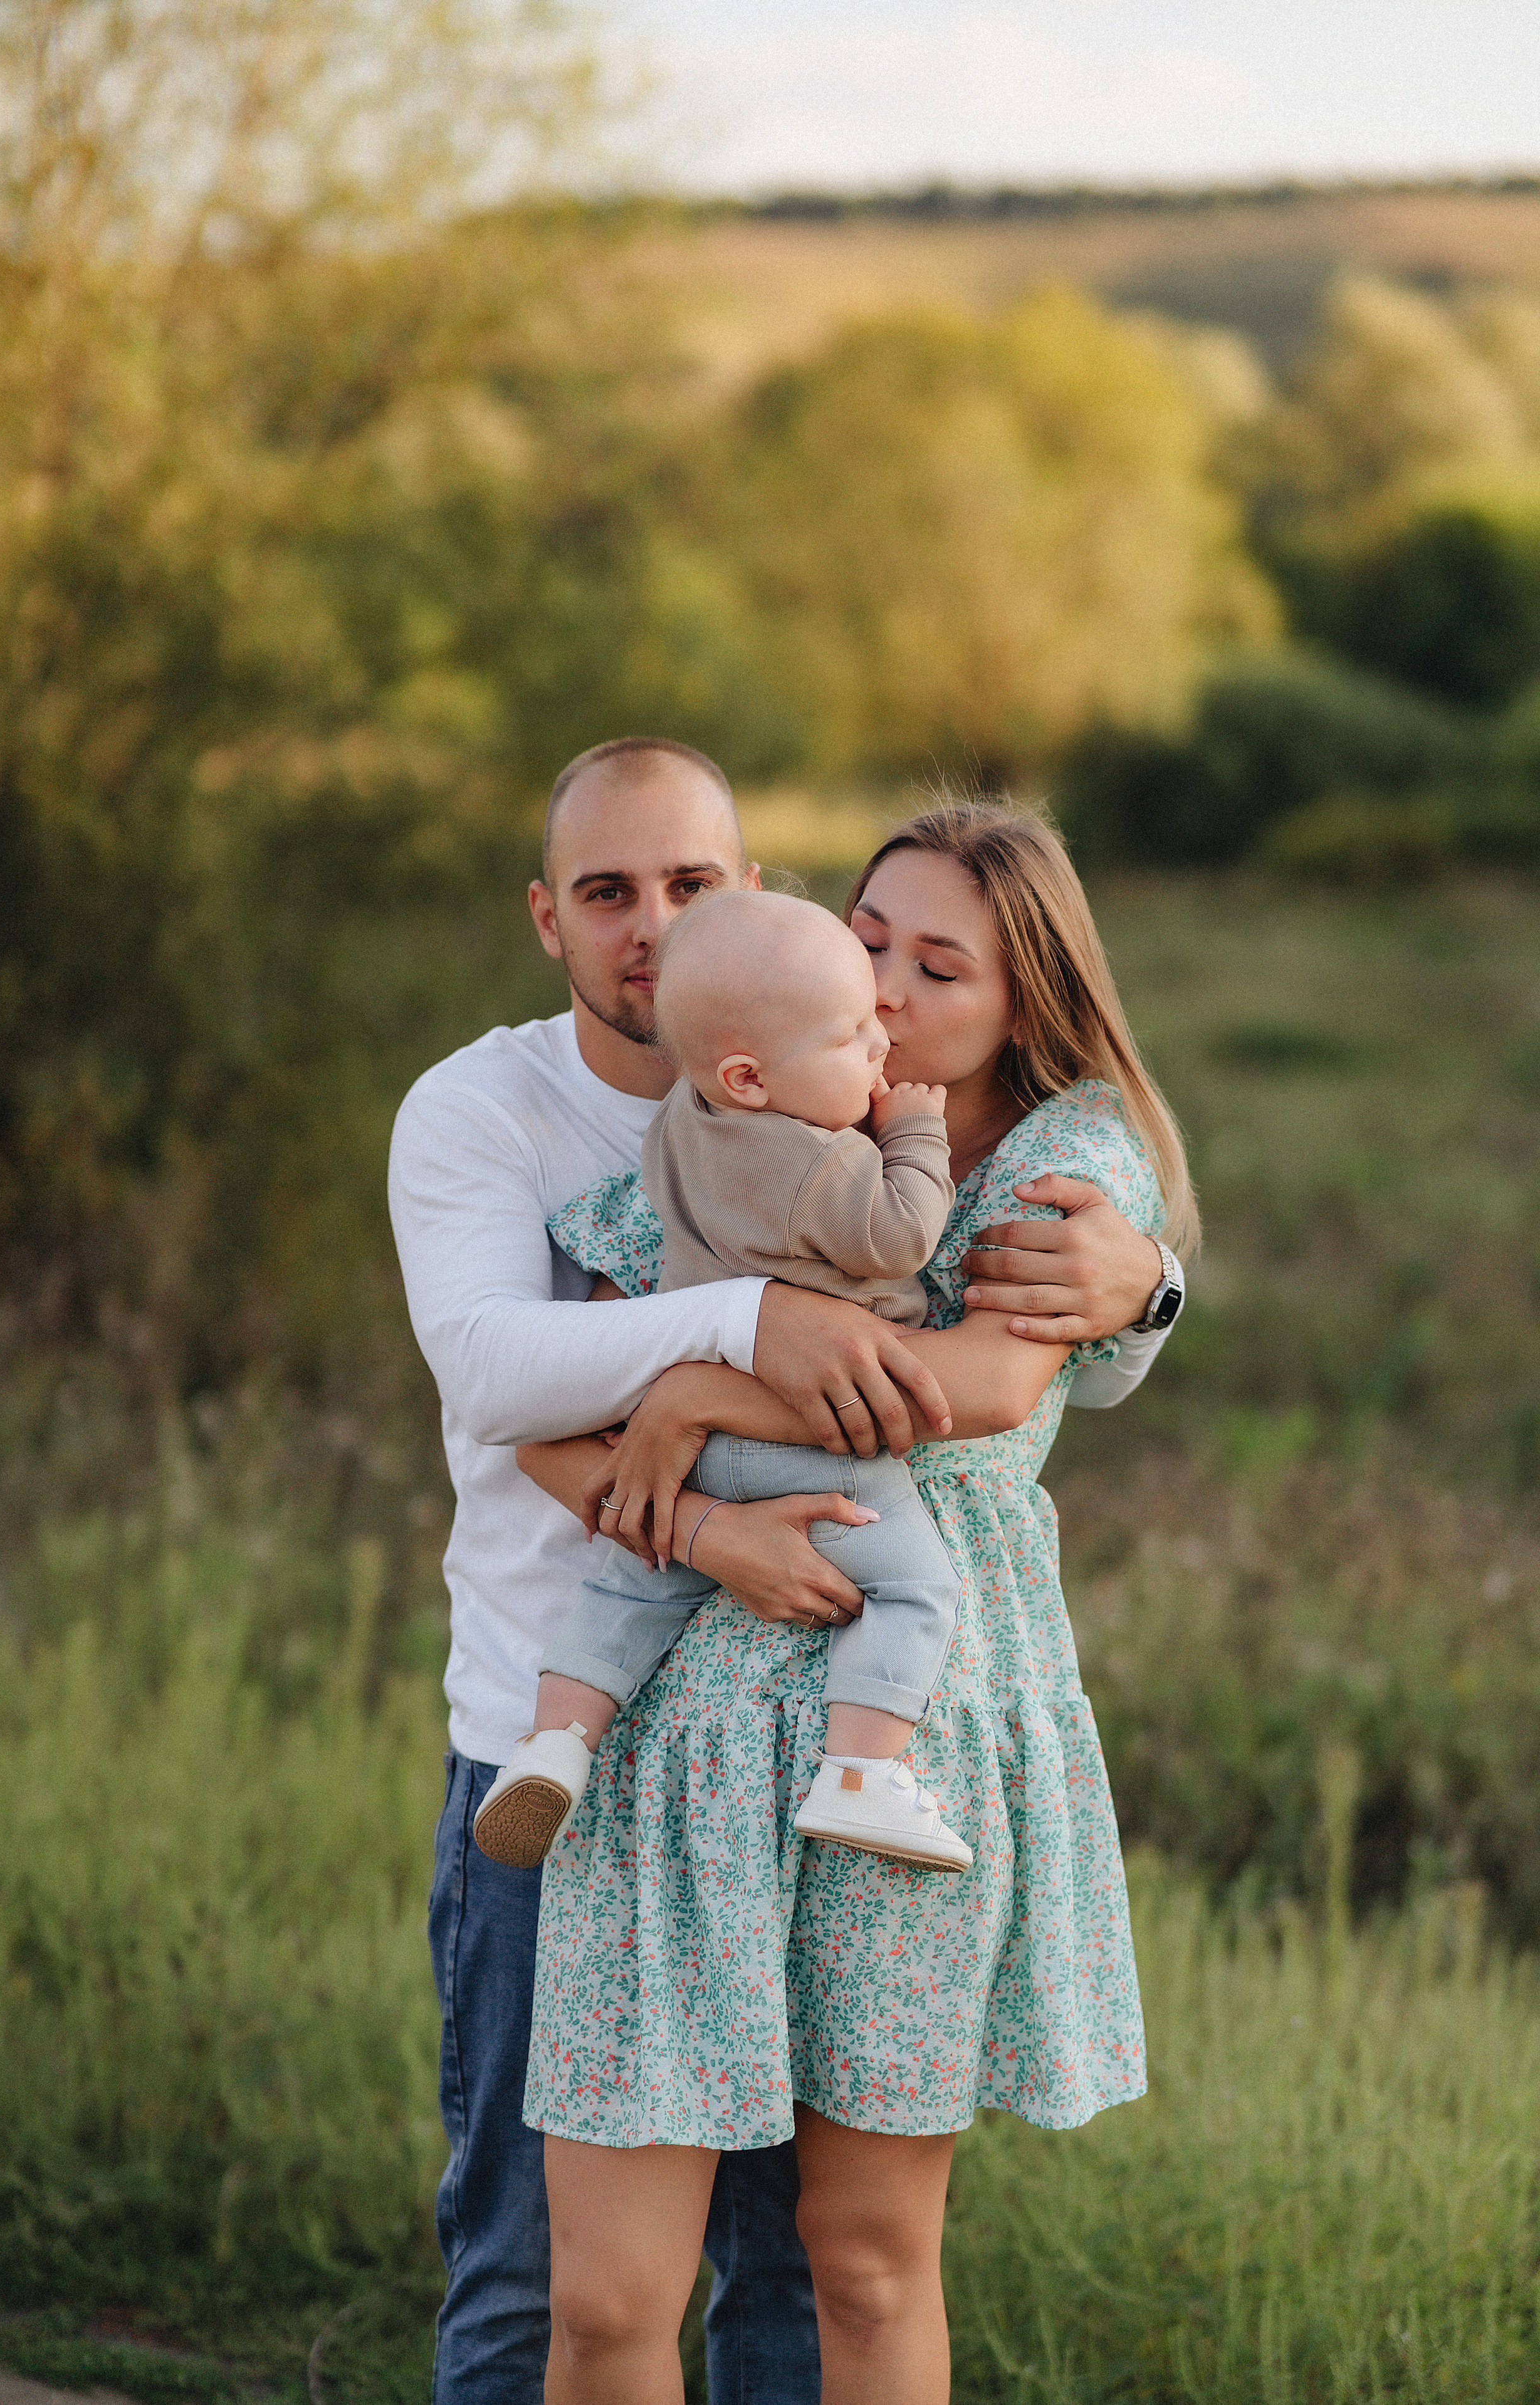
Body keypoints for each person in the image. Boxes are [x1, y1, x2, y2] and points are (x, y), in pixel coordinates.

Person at [387, 743, 1178, 2405]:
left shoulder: (1039, 1160)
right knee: (572, 2289)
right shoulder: (601, 1110)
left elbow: (982, 1382)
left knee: (838, 2270)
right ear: (552, 917)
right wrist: (709, 1413)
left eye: (932, 962)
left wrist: (689, 1386)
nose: (882, 985)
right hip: (643, 1744)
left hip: (889, 1740)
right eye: (870, 937)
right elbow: (521, 1382)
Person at [474, 888, 974, 1874]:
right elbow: (902, 1231)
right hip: (803, 1433)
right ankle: (865, 1770)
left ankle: (555, 1742)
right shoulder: (823, 1165)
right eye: (852, 1037)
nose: (881, 1045)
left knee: (632, 1582)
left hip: (701, 1446)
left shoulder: (681, 1122)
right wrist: (914, 1134)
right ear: (749, 1076)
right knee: (916, 1581)